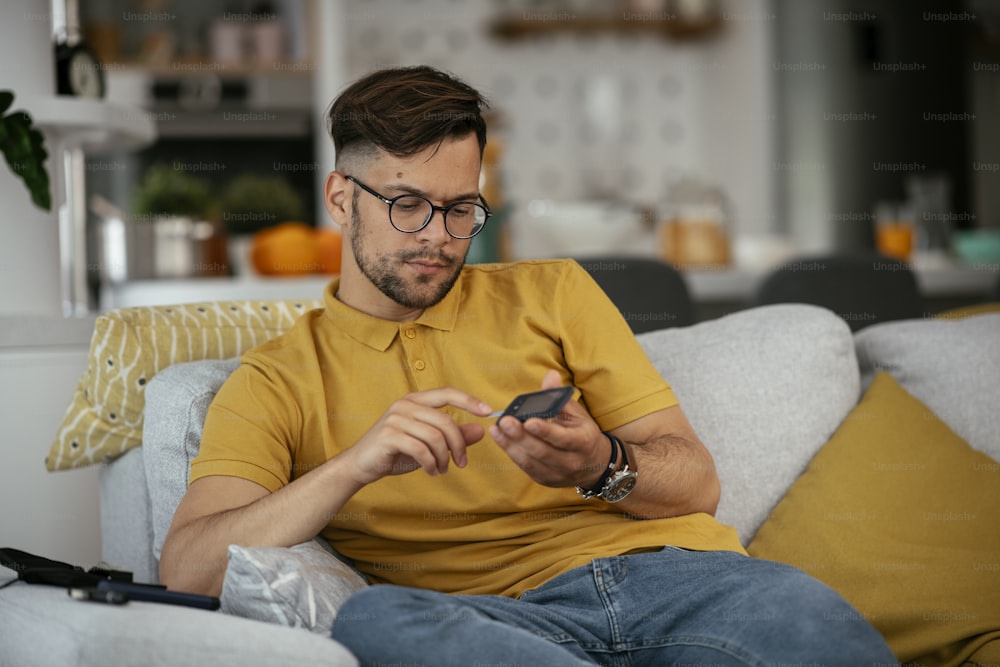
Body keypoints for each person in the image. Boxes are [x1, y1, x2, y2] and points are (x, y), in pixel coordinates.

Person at [159, 65, 896, 666]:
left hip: (673, 581)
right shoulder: (276, 377)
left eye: (460, 209)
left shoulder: (554, 291)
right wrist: (353, 465)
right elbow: (188, 565)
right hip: (489, 625)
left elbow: (697, 481)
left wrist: (600, 462)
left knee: (806, 612)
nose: (440, 238)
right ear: (341, 199)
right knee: (377, 618)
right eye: (409, 205)